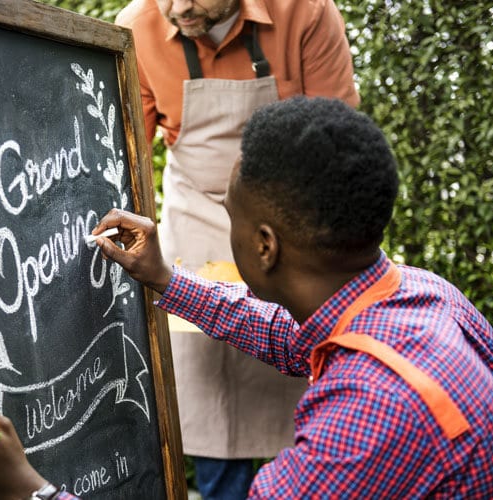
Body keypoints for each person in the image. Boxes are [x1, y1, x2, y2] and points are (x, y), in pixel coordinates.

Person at [0, 97, 493, 498]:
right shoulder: (424, 296)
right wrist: (165, 278)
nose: (227, 226)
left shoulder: (368, 417)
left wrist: (21, 485)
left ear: (265, 245)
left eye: (229, 213)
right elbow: (286, 333)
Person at [114, 0, 359, 494]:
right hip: (197, 220)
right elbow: (125, 150)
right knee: (212, 396)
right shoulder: (136, 27)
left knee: (307, 366)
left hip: (289, 219)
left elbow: (338, 140)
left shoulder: (305, 13)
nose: (178, 7)